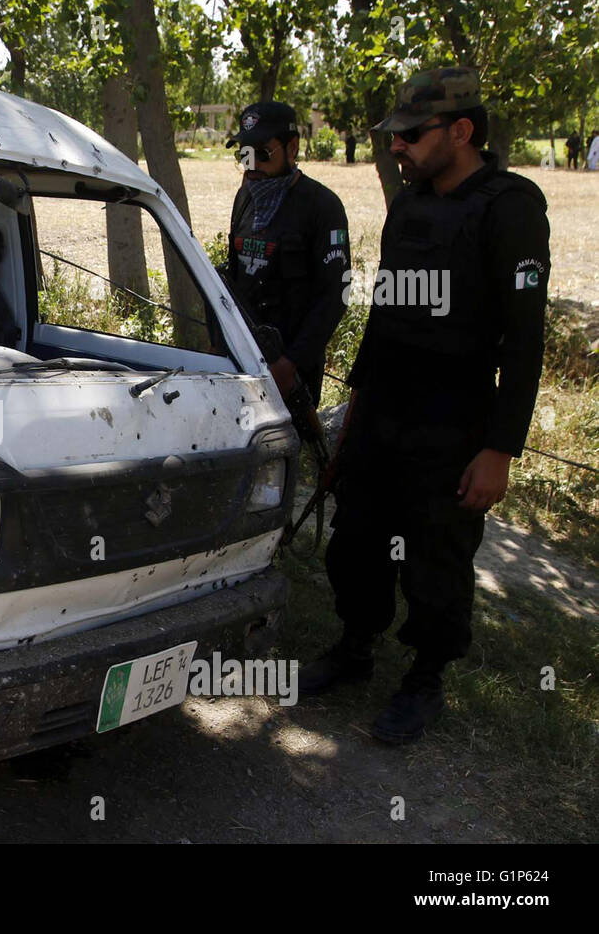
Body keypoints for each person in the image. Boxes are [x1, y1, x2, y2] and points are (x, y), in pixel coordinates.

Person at [303, 68, 549, 745]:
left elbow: (526, 341)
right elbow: (384, 315)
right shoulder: (408, 205)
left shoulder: (511, 206)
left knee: (436, 558)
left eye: (410, 135)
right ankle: (354, 649)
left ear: (461, 131)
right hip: (383, 411)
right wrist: (351, 417)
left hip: (454, 423)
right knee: (356, 544)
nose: (397, 148)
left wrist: (499, 450)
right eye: (395, 137)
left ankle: (425, 680)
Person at [224, 101, 350, 406]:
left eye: (262, 153)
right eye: (244, 154)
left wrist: (290, 363)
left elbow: (335, 295)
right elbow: (233, 276)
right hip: (242, 362)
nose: (251, 164)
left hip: (293, 373)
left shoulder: (322, 206)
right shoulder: (245, 199)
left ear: (291, 148)